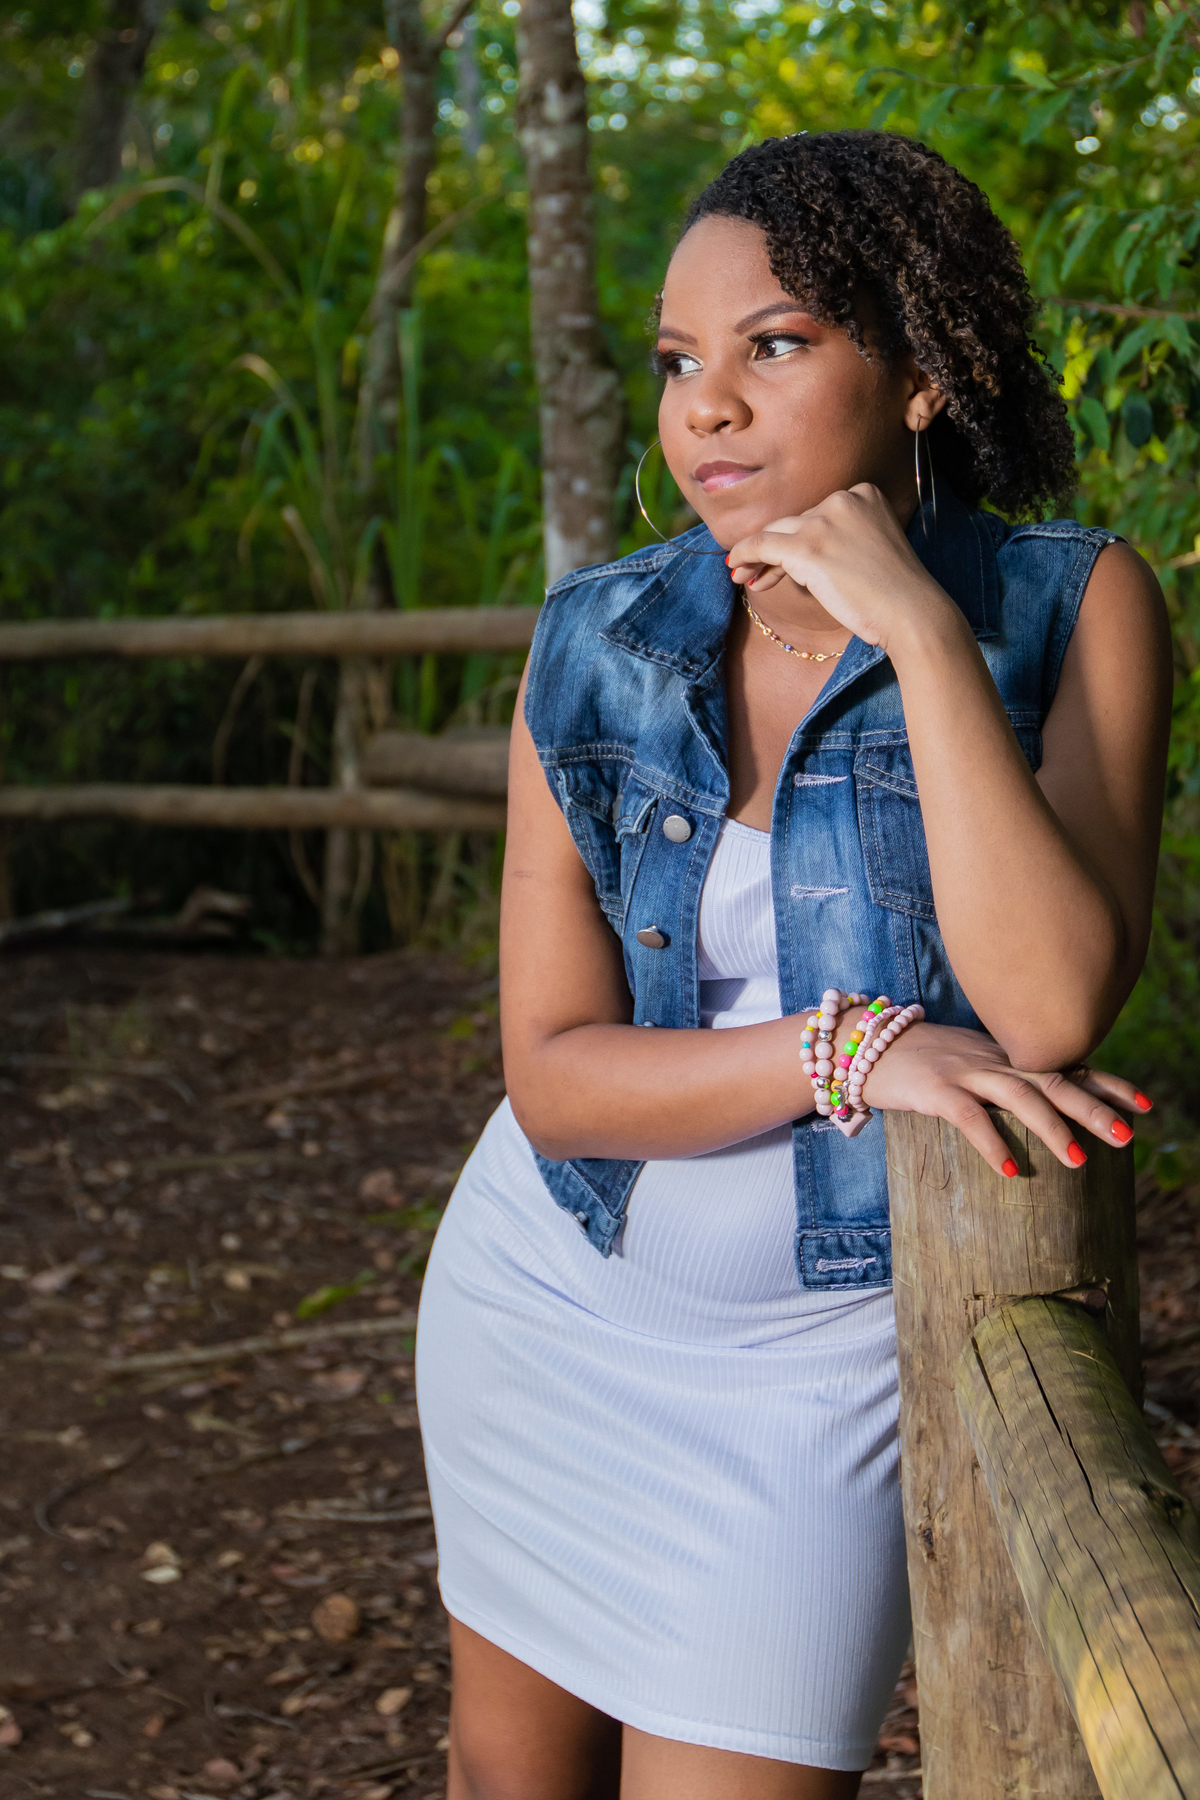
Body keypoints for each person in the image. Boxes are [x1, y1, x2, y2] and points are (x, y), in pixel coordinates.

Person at [415, 130, 1171, 1800]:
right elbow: (553, 1076)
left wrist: (914, 628)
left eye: (773, 346)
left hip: (813, 1390)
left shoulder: (1073, 608)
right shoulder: (597, 638)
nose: (707, 408)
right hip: (550, 1306)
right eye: (681, 360)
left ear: (919, 373)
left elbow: (1052, 1001)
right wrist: (856, 1049)